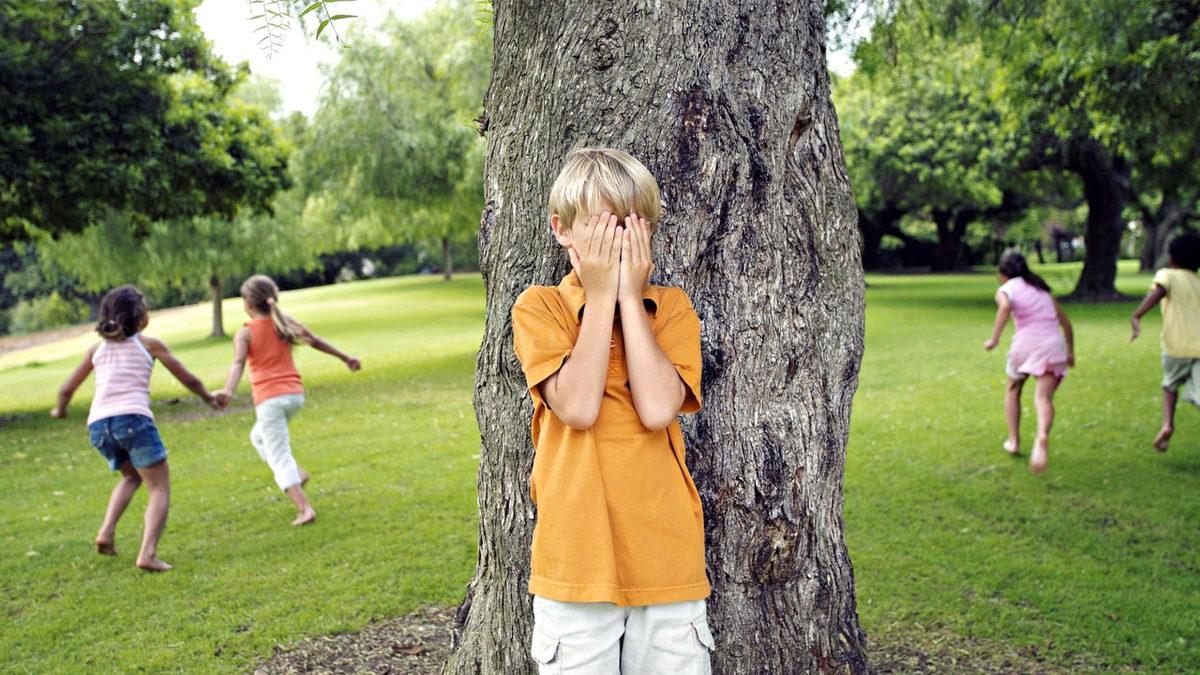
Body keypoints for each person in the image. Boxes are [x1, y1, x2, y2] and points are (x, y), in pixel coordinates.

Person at [511, 147, 714, 673]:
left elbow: (657, 409)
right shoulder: (541, 307)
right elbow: (576, 407)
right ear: (563, 230)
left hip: (665, 553)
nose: (618, 242)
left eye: (631, 226)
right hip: (575, 557)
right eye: (602, 228)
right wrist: (599, 299)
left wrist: (628, 299)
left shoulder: (669, 307)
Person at [50, 285, 218, 571]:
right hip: (133, 420)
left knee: (130, 478)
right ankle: (148, 554)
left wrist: (60, 409)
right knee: (159, 488)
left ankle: (106, 531)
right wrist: (208, 398)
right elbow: (187, 378)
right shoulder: (149, 344)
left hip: (100, 426)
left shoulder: (97, 349)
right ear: (140, 317)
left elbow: (67, 388)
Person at [214, 275, 361, 526]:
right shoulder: (284, 323)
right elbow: (316, 341)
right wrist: (346, 358)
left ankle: (304, 509)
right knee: (258, 437)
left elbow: (238, 363)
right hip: (293, 395)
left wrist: (227, 390)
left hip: (270, 400)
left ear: (247, 304)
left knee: (278, 454)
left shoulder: (245, 333)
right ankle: (297, 475)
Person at [983, 250, 1074, 473]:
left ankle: (1013, 441)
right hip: (1053, 346)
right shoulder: (1042, 290)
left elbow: (1005, 307)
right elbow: (1067, 325)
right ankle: (1042, 435)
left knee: (1013, 389)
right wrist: (1070, 353)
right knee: (1043, 399)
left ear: (1002, 272)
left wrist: (994, 339)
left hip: (1025, 345)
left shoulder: (1006, 288)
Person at [1130, 232, 1200, 451]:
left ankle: (1167, 424)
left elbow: (1158, 292)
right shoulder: (1197, 283)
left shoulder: (1167, 275)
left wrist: (1137, 315)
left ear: (1172, 258)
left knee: (1170, 384)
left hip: (1175, 347)